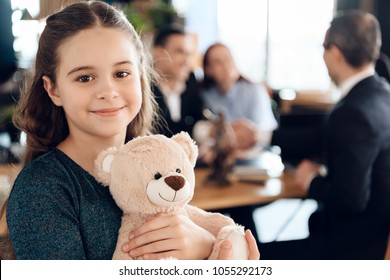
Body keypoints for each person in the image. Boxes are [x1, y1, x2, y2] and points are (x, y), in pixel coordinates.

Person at [5, 1, 259, 260]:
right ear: (54, 90)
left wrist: (206, 246)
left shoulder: (158, 161)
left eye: (122, 73)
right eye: (85, 77)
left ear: (140, 77)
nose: (108, 91)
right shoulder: (42, 190)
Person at [260, 10, 390, 260]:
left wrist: (311, 180)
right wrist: (264, 137)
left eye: (323, 47)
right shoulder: (381, 92)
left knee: (250, 256)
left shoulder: (353, 111)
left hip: (354, 248)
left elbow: (350, 199)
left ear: (336, 53)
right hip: (375, 233)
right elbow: (332, 138)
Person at [196, 43, 278, 152]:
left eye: (228, 58)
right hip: (220, 155)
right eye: (218, 62)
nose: (226, 65)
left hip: (254, 154)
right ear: (208, 70)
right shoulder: (204, 94)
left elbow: (267, 132)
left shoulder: (255, 90)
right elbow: (200, 129)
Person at [152, 25, 204, 138]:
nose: (187, 61)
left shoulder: (191, 81)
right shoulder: (142, 88)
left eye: (189, 54)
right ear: (158, 52)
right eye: (180, 52)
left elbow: (202, 118)